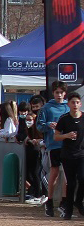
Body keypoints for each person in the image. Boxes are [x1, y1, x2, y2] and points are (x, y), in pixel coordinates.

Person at [52, 91, 83, 220]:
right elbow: (56, 136)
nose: (75, 105)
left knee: (82, 178)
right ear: (68, 104)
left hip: (81, 154)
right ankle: (68, 209)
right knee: (70, 183)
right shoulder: (64, 119)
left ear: (80, 104)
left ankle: (78, 201)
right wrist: (66, 135)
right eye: (72, 102)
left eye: (77, 102)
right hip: (68, 155)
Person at [40, 82, 69, 218]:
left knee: (67, 176)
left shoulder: (68, 107)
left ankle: (64, 202)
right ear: (53, 93)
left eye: (61, 92)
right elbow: (39, 126)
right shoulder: (47, 108)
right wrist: (47, 125)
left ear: (65, 93)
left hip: (68, 145)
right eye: (57, 92)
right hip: (54, 145)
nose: (59, 95)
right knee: (54, 173)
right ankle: (50, 201)